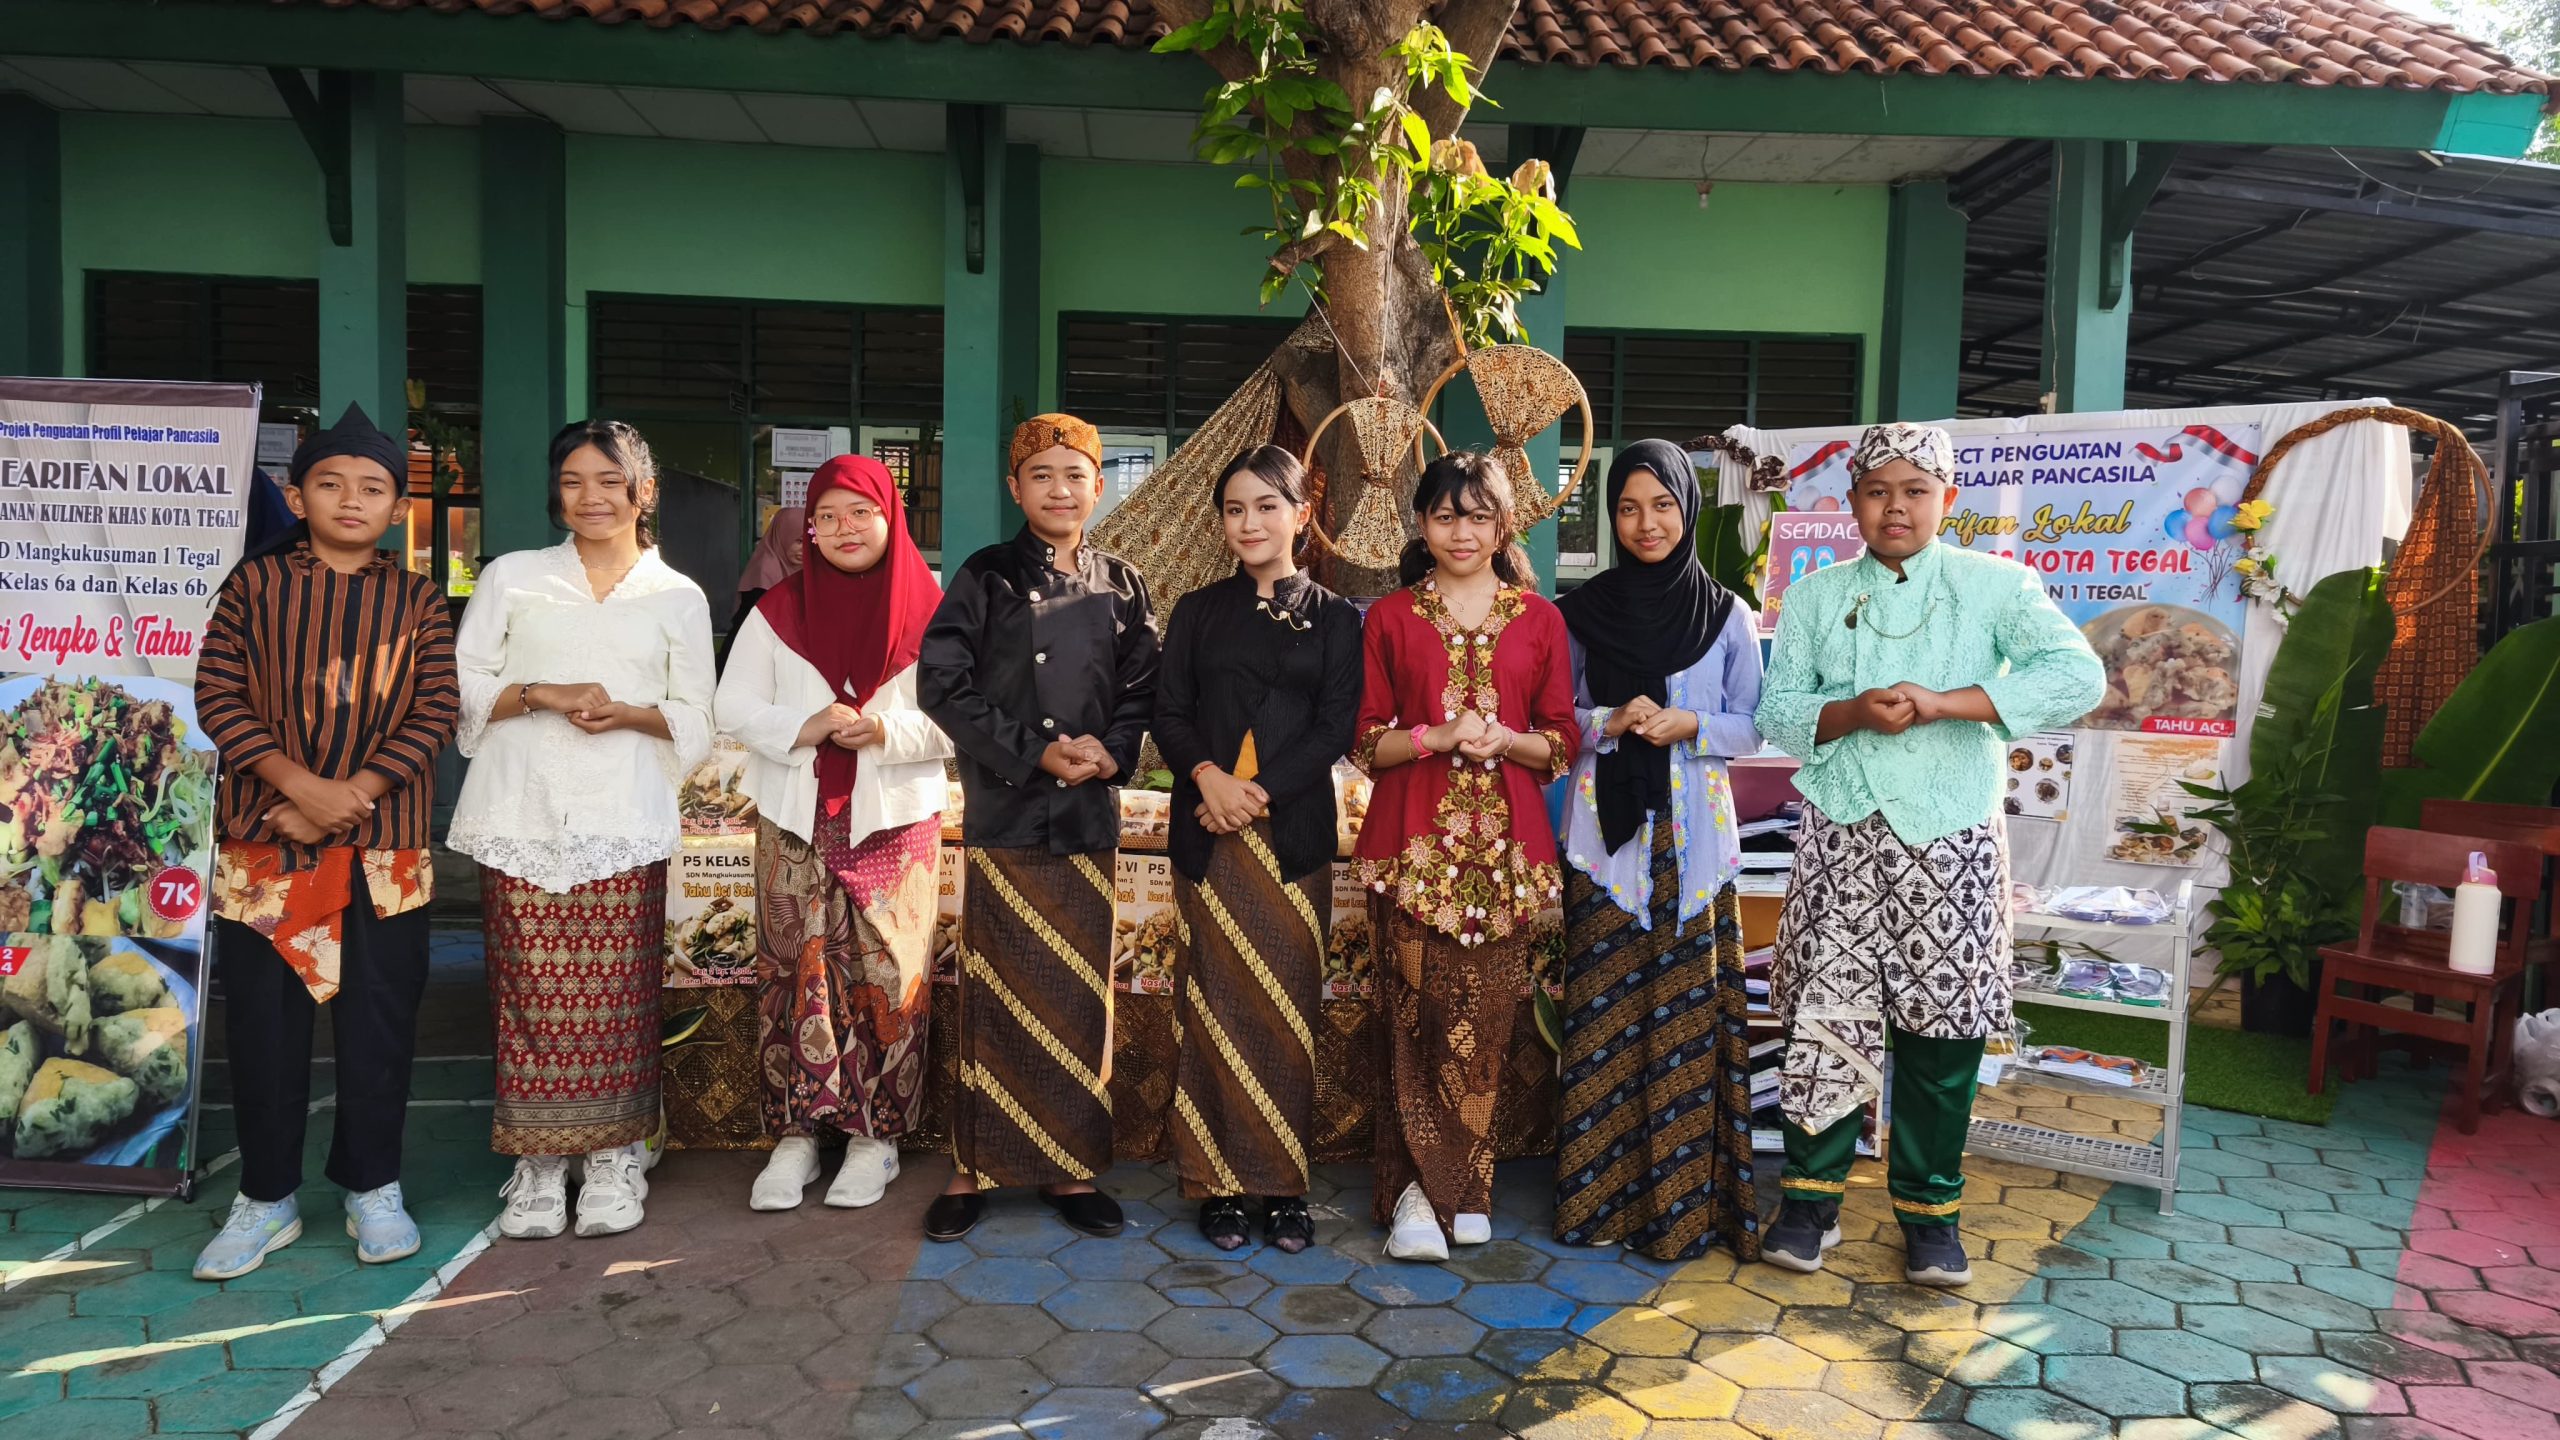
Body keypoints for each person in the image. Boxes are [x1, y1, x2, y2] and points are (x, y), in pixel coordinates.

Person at [1755, 422, 2103, 1286]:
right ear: (1852, 502)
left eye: (1915, 491)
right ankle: (1809, 1203)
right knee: (1826, 1017)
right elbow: (1778, 710)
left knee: (1942, 1028)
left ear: (1948, 500)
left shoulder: (1997, 585)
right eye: (1878, 491)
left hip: (1950, 834)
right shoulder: (1815, 595)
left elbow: (2077, 675)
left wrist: (1949, 702)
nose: (1896, 508)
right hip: (1843, 830)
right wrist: (1852, 712)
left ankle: (1930, 1214)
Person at [191, 405, 459, 1281]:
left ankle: (373, 1185)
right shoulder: (253, 587)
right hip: (267, 842)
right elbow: (217, 694)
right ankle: (266, 1197)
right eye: (331, 484)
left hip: (387, 847)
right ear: (296, 494)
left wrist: (349, 797)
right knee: (264, 1025)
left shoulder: (418, 598)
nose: (352, 500)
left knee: (379, 1021)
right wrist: (301, 789)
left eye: (372, 488)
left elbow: (436, 710)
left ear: (397, 509)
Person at [449, 419, 717, 1241]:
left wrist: (630, 713)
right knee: (527, 994)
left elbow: (698, 716)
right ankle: (536, 1164)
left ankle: (612, 1155)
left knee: (618, 998)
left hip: (622, 817)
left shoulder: (677, 595)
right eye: (572, 481)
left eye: (609, 480)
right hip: (519, 812)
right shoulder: (514, 576)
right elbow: (461, 687)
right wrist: (543, 693)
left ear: (645, 491)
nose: (590, 497)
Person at [918, 413, 1159, 1244]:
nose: (1060, 490)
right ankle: (972, 1167)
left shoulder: (1123, 582)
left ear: (1099, 486)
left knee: (1078, 998)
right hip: (1009, 812)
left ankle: (1070, 1167)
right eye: (1042, 475)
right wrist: (1035, 751)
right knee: (995, 994)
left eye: (1075, 474)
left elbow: (1144, 688)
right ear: (1014, 488)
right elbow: (942, 686)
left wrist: (1109, 750)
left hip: (1087, 818)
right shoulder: (984, 575)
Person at [1350, 452, 1578, 1263]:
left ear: (1503, 525)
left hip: (1506, 852)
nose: (1462, 532)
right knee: (1411, 1020)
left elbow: (1561, 739)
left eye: (1479, 516)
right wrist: (1436, 736)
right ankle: (1415, 1196)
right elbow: (1366, 741)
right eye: (1445, 516)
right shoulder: (1389, 618)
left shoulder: (1540, 620)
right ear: (1421, 524)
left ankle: (1468, 1188)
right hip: (1411, 848)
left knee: (1484, 1025)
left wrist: (1507, 739)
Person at [715, 456, 949, 1212]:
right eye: (827, 517)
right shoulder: (777, 610)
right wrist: (805, 724)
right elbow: (731, 704)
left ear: (891, 516)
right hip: (796, 816)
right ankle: (797, 1137)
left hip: (893, 821)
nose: (845, 528)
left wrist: (884, 730)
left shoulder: (933, 610)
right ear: (807, 529)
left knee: (887, 976)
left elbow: (960, 716)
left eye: (861, 512)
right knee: (796, 972)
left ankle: (875, 1139)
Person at [1553, 440, 1766, 1263]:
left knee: (1685, 1020)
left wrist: (1693, 725)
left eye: (1663, 506)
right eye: (1629, 508)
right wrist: (1604, 722)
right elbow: (1554, 719)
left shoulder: (1727, 614)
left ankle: (1681, 1210)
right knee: (1604, 1015)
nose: (1647, 523)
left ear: (1687, 507)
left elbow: (1755, 723)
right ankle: (1597, 1203)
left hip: (1694, 846)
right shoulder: (1580, 613)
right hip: (1608, 849)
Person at [1153, 446, 1361, 1252]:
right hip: (1207, 836)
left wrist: (1257, 794)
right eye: (1235, 509)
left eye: (1267, 506)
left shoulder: (1337, 618)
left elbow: (1334, 727)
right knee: (1212, 1007)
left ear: (1301, 515)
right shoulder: (1197, 611)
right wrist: (1210, 780)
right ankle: (1217, 1184)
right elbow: (1169, 713)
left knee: (1284, 1012)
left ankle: (1281, 1185)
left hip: (1291, 841)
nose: (1250, 523)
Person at [732, 504, 806, 634]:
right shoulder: (766, 571)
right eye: (799, 541)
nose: (804, 549)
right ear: (782, 537)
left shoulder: (805, 568)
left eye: (809, 542)